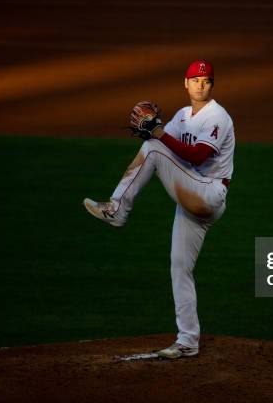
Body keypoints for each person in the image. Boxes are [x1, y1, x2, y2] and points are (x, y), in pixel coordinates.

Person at [84, 60, 234, 359]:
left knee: (153, 148)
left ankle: (117, 209)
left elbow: (197, 153)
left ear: (212, 84)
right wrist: (152, 132)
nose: (200, 84)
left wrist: (156, 134)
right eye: (195, 79)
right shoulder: (182, 116)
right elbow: (167, 142)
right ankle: (188, 340)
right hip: (190, 194)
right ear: (186, 83)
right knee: (180, 268)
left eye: (206, 80)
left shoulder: (218, 117)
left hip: (208, 193)